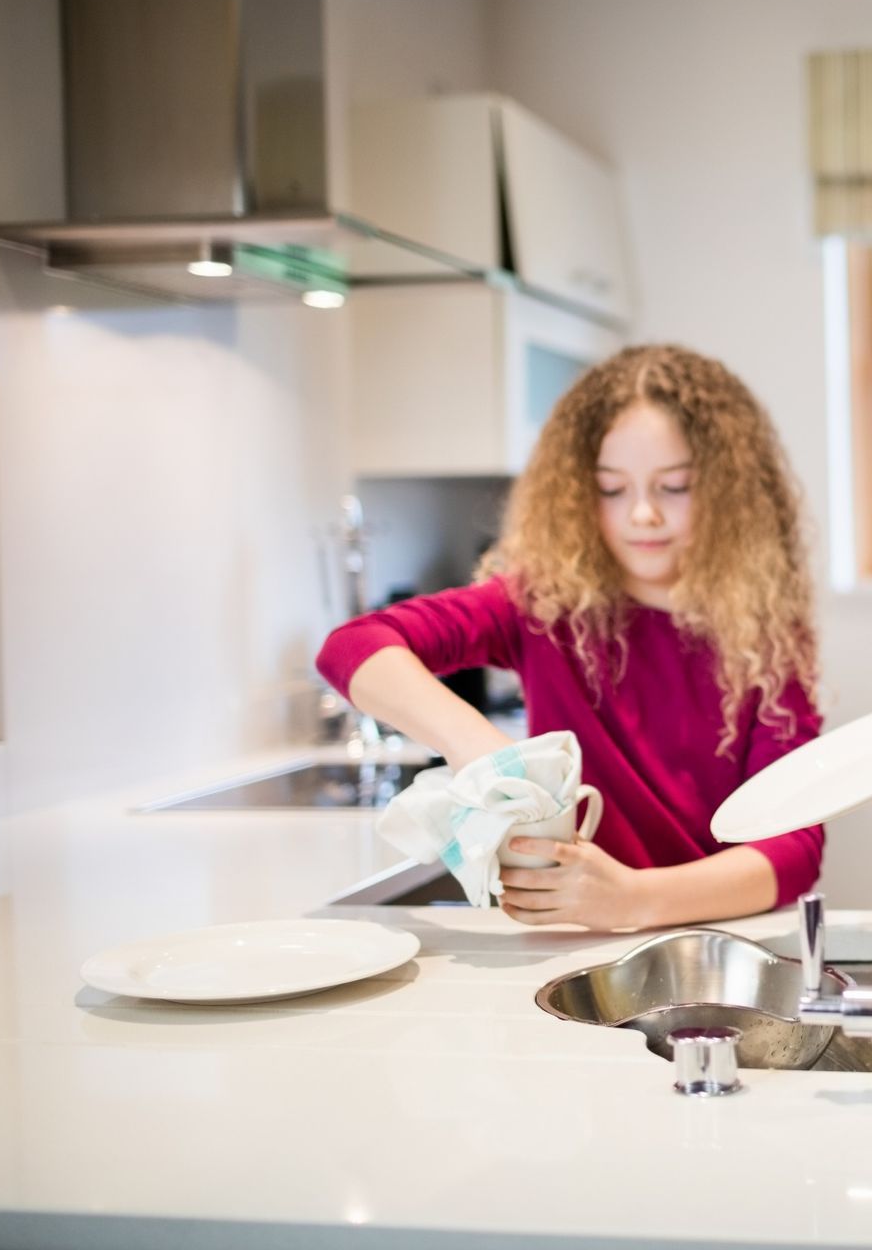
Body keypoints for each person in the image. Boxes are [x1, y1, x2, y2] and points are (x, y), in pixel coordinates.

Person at [316, 345, 824, 931]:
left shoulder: (767, 638)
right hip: (568, 946)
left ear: (730, 492)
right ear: (580, 494)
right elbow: (352, 646)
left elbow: (796, 849)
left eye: (674, 486)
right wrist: (482, 751)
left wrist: (635, 898)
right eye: (612, 489)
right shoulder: (543, 606)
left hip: (713, 937)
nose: (642, 515)